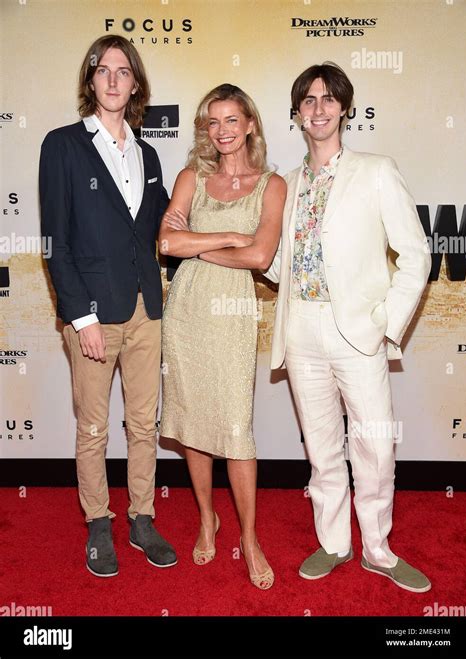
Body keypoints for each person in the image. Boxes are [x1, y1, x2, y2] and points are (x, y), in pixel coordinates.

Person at [263, 62, 432, 592]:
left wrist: (386, 327)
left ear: (344, 108)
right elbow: (275, 263)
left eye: (328, 99)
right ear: (297, 114)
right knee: (322, 447)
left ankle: (378, 549)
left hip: (358, 331)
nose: (318, 108)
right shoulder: (283, 185)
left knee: (375, 446)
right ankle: (334, 542)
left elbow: (416, 254)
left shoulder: (377, 170)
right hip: (301, 330)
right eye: (308, 100)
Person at [39, 35, 176, 577]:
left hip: (146, 308)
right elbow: (56, 241)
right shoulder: (63, 145)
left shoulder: (148, 153)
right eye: (104, 70)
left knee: (144, 424)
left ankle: (141, 519)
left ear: (136, 83)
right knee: (93, 428)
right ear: (91, 80)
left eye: (124, 71)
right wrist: (81, 316)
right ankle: (99, 524)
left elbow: (160, 226)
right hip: (93, 313)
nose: (114, 79)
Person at [159, 83, 286, 590]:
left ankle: (249, 537)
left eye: (232, 120)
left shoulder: (271, 184)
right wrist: (230, 236)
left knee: (236, 429)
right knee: (192, 421)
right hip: (186, 313)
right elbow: (167, 241)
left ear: (250, 124)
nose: (223, 130)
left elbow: (260, 257)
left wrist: (201, 247)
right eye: (213, 122)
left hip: (233, 313)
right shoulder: (192, 176)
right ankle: (207, 519)